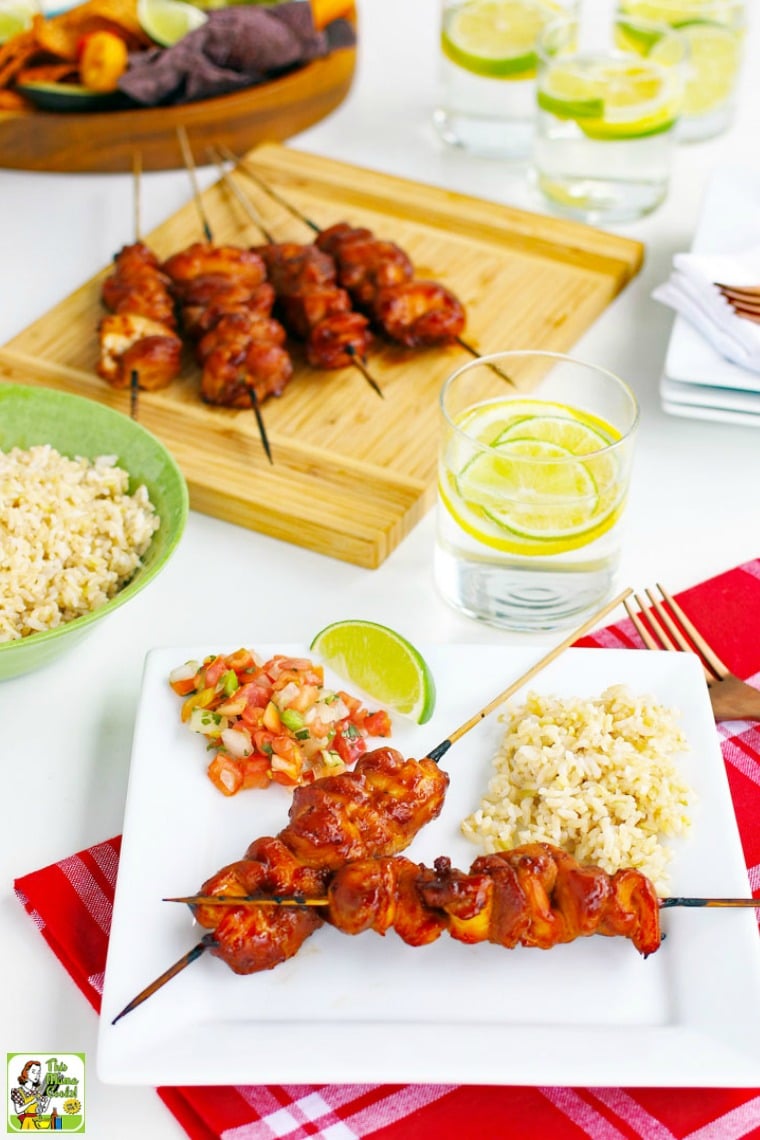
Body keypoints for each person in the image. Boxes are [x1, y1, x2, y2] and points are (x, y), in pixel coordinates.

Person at [10, 1060, 53, 1130]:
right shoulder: (17, 1091)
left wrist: (49, 1097)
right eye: (33, 1072)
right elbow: (18, 1110)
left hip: (38, 1122)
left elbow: (43, 1110)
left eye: (38, 1073)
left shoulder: (38, 1091)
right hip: (27, 1123)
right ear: (26, 1072)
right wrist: (31, 1102)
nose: (37, 1075)